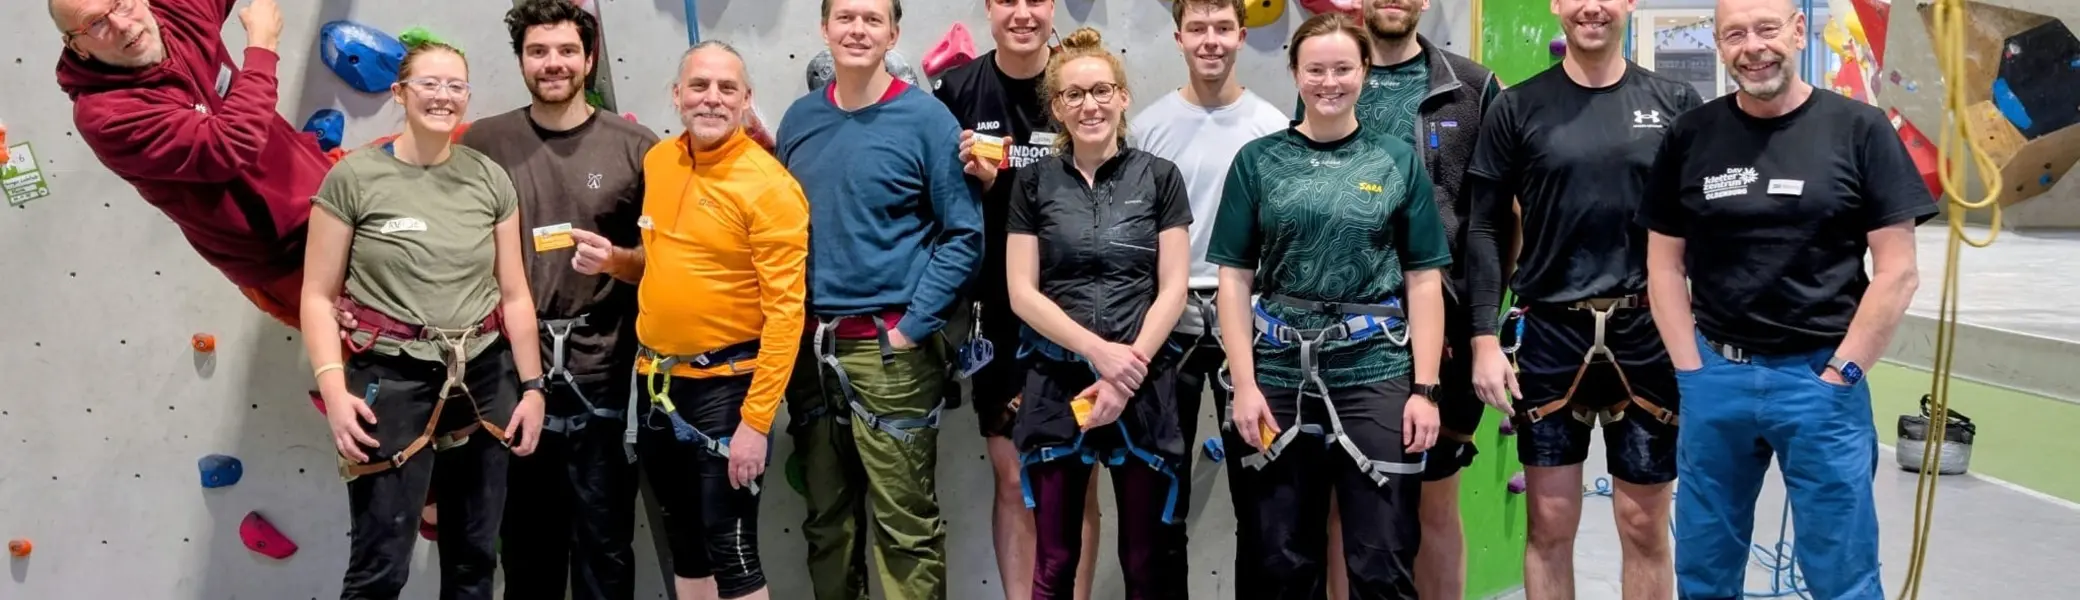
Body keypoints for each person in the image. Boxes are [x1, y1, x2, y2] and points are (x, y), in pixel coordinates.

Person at [1639, 0, 1933, 598]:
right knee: (1703, 569)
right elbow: (1663, 265)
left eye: (1767, 29)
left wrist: (1842, 372)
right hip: (1716, 376)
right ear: (1720, 46)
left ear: (1800, 31)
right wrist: (1690, 371)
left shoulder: (1859, 129)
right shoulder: (1692, 135)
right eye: (1735, 35)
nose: (1754, 47)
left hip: (1820, 382)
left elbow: (1897, 270)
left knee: (1842, 572)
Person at [1462, 1, 1702, 598]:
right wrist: (1484, 338)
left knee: (1645, 524)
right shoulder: (1516, 107)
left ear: (1629, 4)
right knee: (1548, 523)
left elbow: (1704, 225)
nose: (1591, 6)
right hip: (1549, 334)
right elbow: (1485, 229)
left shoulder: (1676, 105)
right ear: (1556, 5)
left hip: (1647, 334)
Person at [298, 35, 549, 600]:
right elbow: (317, 295)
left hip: (485, 375)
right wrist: (335, 392)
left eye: (455, 85)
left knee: (474, 559)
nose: (443, 96)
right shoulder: (354, 179)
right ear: (399, 93)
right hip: (391, 378)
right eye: (429, 84)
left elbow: (513, 294)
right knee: (381, 564)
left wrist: (532, 388)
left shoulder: (489, 179)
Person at [1208, 13, 1450, 599]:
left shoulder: (1395, 159)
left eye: (1343, 68)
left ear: (1364, 71)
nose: (1329, 82)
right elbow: (1234, 281)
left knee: (1382, 560)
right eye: (1315, 69)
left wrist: (1425, 390)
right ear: (1295, 72)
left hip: (1375, 373)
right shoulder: (1258, 161)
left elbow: (1423, 281)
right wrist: (1244, 385)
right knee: (1282, 559)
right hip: (1278, 376)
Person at [773, 0, 985, 597]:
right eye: (845, 17)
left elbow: (963, 234)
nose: (857, 29)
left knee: (905, 528)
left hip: (891, 357)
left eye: (872, 19)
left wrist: (913, 327)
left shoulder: (927, 120)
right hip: (811, 356)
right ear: (824, 28)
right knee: (826, 526)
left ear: (893, 33)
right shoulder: (799, 121)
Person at [1302, 2, 1502, 597]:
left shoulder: (1473, 86)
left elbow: (1494, 223)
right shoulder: (1332, 78)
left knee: (1436, 502)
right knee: (1345, 504)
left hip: (1443, 333)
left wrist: (1480, 324)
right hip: (1345, 331)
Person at [458, 2, 656, 598]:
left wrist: (618, 261)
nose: (554, 64)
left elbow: (666, 263)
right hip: (509, 366)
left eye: (567, 51)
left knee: (605, 545)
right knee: (524, 545)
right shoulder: (485, 143)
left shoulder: (635, 146)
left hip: (605, 367)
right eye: (538, 52)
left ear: (590, 58)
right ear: (521, 60)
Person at [1005, 26, 1194, 600]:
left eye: (1101, 90)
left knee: (1144, 562)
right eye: (1074, 95)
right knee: (1055, 561)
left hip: (1143, 383)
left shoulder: (1160, 177)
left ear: (1122, 96)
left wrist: (1126, 368)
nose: (1090, 105)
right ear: (1057, 108)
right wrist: (1097, 353)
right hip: (1057, 381)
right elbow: (1021, 291)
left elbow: (1174, 288)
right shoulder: (1032, 183)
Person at [623, 41, 809, 600]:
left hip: (728, 392)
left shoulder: (771, 188)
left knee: (732, 551)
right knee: (685, 542)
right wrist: (612, 260)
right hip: (656, 384)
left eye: (727, 88)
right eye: (699, 86)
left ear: (747, 100)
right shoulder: (659, 161)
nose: (712, 98)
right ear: (676, 95)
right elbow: (667, 265)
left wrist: (755, 423)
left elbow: (786, 315)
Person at [929, 3, 1102, 595]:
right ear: (988, 8)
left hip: (1080, 309)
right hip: (998, 315)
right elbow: (934, 205)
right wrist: (969, 185)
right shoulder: (955, 90)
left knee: (1076, 480)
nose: (1023, 13)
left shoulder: (1080, 83)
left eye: (1036, 0)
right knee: (1012, 478)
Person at [1123, 0, 1288, 586]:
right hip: (1169, 328)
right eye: (1198, 29)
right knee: (1164, 498)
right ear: (1178, 38)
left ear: (1243, 36)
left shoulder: (1271, 125)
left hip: (1253, 328)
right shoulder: (1148, 127)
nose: (1210, 41)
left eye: (1222, 29)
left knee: (1261, 498)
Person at [52, 0, 330, 327]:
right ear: (77, 46)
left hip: (327, 195)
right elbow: (230, 144)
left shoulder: (173, 13)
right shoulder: (107, 116)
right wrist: (263, 45)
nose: (123, 25)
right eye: (95, 24)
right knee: (378, 347)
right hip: (282, 257)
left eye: (120, 4)